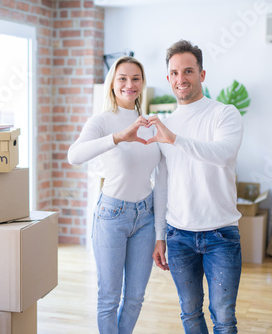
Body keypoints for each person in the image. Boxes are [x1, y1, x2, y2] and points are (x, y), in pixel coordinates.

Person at [148, 40, 244, 334]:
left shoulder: (224, 114)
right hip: (179, 236)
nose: (181, 79)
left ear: (202, 75)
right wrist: (160, 235)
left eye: (188, 71)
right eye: (175, 73)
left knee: (224, 318)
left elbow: (222, 155)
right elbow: (161, 183)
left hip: (221, 234)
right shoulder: (164, 124)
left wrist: (175, 139)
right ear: (168, 78)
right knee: (189, 314)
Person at [68, 56, 160, 334]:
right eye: (122, 78)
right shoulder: (102, 121)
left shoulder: (151, 123)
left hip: (146, 216)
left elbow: (161, 177)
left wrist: (160, 231)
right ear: (112, 84)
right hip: (111, 215)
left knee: (135, 297)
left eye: (135, 79)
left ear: (142, 84)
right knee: (109, 297)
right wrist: (119, 137)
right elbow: (74, 155)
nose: (129, 84)